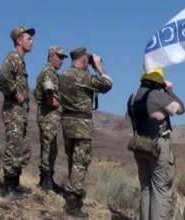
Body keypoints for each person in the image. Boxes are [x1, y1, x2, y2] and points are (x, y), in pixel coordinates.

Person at [59, 47, 113, 218]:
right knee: (80, 161)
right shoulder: (83, 76)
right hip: (81, 123)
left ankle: (70, 194)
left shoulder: (64, 75)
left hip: (67, 122)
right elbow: (107, 84)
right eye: (88, 60)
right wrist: (98, 67)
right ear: (84, 60)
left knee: (72, 160)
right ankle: (73, 204)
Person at [127, 68, 185, 220]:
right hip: (157, 145)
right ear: (159, 81)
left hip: (139, 145)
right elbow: (180, 109)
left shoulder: (133, 97)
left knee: (146, 188)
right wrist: (170, 90)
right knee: (160, 190)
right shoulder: (157, 95)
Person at [0, 26, 35, 198]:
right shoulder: (12, 57)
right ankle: (8, 189)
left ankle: (15, 185)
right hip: (13, 112)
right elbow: (2, 79)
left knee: (20, 147)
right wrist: (15, 93)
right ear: (19, 40)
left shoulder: (20, 60)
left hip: (20, 112)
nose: (32, 42)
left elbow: (1, 81)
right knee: (13, 147)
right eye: (28, 38)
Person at [34, 45, 67, 192]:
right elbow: (48, 87)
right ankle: (46, 181)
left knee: (51, 147)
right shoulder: (48, 71)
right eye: (59, 57)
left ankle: (47, 178)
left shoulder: (52, 72)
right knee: (48, 147)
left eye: (63, 58)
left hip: (51, 116)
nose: (61, 61)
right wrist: (51, 100)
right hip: (48, 116)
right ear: (51, 56)